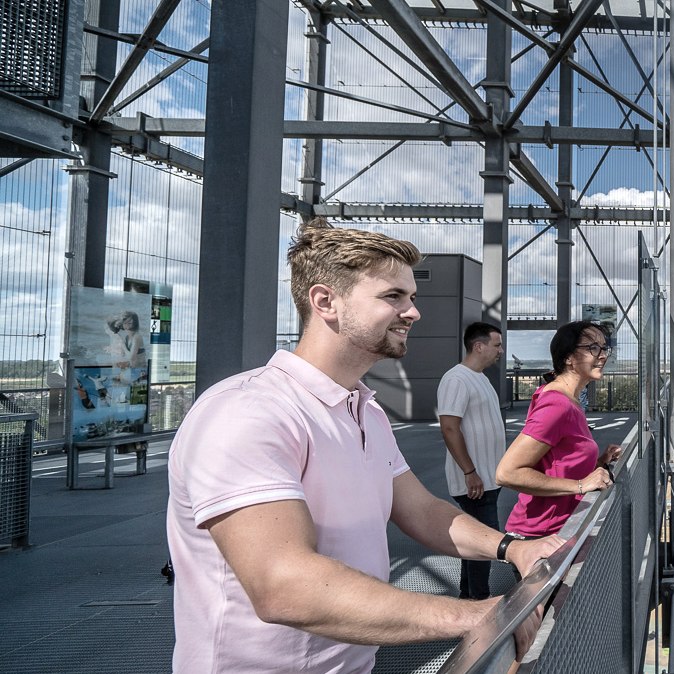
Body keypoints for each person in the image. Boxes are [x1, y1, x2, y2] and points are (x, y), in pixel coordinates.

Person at [166, 220, 561, 673]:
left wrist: (514, 548)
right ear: (325, 301)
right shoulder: (248, 413)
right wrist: (474, 614)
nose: (413, 312)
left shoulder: (364, 411)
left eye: (411, 298)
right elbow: (282, 585)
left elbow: (420, 510)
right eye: (393, 297)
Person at [495, 320, 622, 539]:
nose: (603, 355)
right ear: (569, 359)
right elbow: (507, 473)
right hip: (543, 537)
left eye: (604, 348)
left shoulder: (568, 400)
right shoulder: (558, 405)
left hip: (558, 531)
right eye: (593, 348)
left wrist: (599, 462)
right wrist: (581, 485)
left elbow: (555, 460)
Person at [436, 322, 509, 600]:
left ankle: (469, 597)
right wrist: (470, 471)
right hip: (475, 482)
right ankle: (479, 604)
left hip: (487, 479)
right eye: (497, 345)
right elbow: (449, 427)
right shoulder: (457, 379)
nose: (500, 350)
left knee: (475, 543)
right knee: (484, 544)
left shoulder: (479, 377)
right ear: (479, 346)